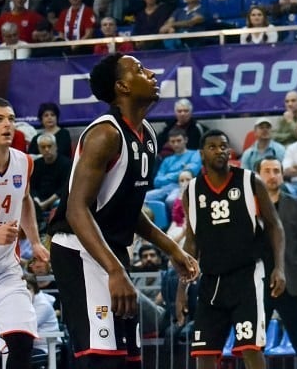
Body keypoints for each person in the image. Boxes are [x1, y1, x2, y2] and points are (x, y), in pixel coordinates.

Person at [49, 54, 199, 366]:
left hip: (111, 251)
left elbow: (129, 209)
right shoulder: (105, 134)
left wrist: (173, 249)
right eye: (139, 70)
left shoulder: (148, 135)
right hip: (79, 250)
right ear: (122, 87)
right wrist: (115, 270)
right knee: (101, 359)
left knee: (127, 360)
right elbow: (77, 210)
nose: (150, 72)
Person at [180, 129, 285, 369]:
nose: (220, 150)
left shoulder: (250, 181)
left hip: (247, 276)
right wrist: (182, 287)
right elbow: (191, 241)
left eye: (224, 146)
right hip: (211, 281)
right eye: (213, 146)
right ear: (201, 154)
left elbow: (274, 225)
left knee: (250, 348)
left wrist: (279, 267)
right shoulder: (193, 191)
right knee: (203, 353)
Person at [0, 98, 49, 369]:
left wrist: (36, 242)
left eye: (11, 119)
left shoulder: (24, 162)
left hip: (6, 272)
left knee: (21, 341)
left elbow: (26, 199)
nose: (7, 124)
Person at [256, 158, 297, 369]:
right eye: (267, 171)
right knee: (252, 347)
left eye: (276, 170)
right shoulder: (247, 206)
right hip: (257, 285)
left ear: (282, 174)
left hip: (291, 284)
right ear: (258, 175)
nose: (272, 175)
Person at [144, 127, 201, 208]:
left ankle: (177, 220)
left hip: (183, 187)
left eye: (179, 141)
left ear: (186, 140)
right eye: (173, 141)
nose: (176, 144)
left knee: (171, 200)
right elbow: (157, 181)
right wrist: (179, 173)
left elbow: (191, 172)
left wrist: (167, 176)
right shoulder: (167, 160)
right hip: (164, 189)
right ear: (169, 143)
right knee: (142, 197)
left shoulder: (195, 154)